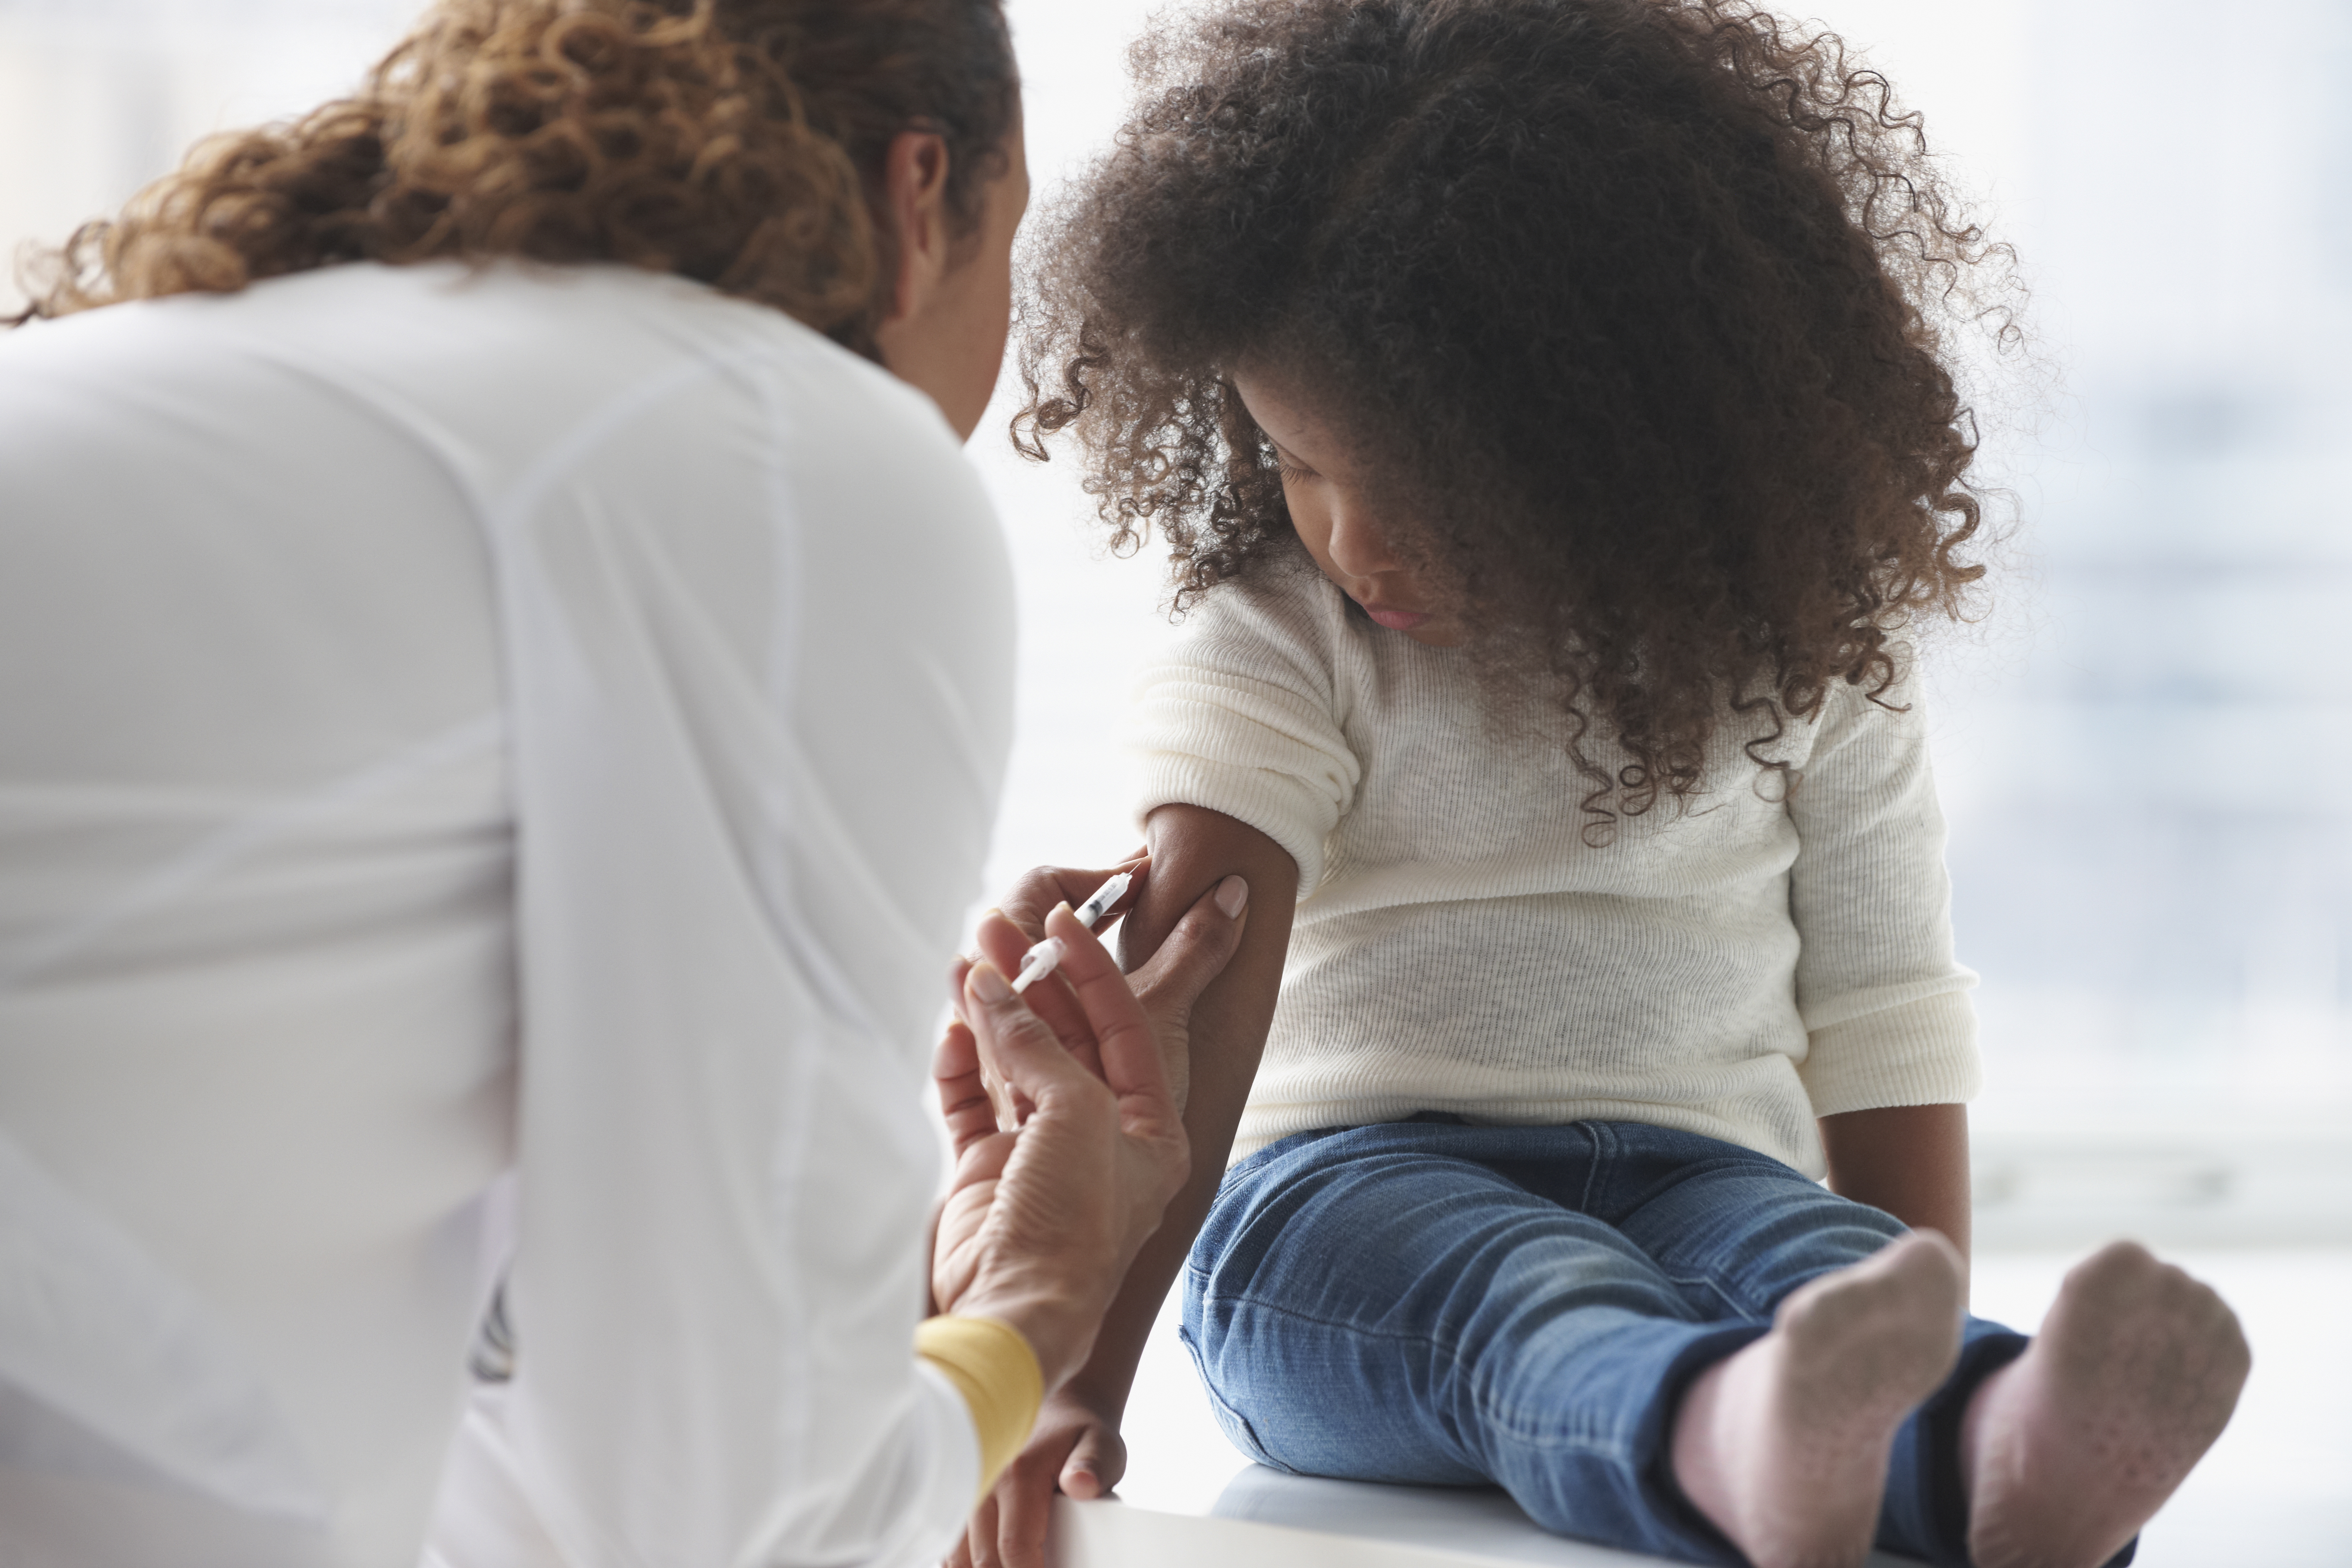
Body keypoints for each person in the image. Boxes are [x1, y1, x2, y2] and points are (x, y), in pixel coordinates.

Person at [955, 3, 2253, 1567]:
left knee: (1809, 1265)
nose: (1352, 541)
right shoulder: (1274, 647)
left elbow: (1885, 1005)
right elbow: (1184, 1025)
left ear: (1605, 432)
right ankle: (1721, 1433)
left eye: (1410, 480)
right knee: (1519, 1294)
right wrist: (1075, 1377)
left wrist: (1902, 1314)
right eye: (1298, 461)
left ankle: (2001, 1444)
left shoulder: (1803, 649)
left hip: (1707, 1177)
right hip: (1344, 1201)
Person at [0, 3, 1245, 1565]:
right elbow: (710, 1521)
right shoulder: (791, 452)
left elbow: (548, 1490)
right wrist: (1041, 1302)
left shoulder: (228, 383)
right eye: (1012, 247)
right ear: (917, 198)